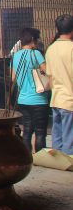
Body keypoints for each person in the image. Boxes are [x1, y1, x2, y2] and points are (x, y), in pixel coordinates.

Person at [11, 28, 50, 153]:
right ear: (33, 39)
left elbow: (12, 78)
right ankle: (41, 158)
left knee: (27, 131)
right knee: (40, 132)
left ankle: (27, 156)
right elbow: (49, 72)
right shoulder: (36, 54)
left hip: (23, 100)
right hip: (38, 100)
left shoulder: (16, 56)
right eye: (37, 39)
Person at [45, 14, 73, 154]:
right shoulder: (71, 48)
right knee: (70, 139)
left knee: (58, 139)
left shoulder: (51, 49)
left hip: (55, 100)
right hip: (69, 101)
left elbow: (49, 76)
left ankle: (58, 163)